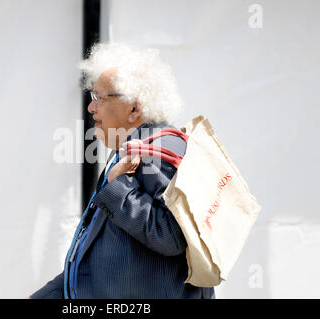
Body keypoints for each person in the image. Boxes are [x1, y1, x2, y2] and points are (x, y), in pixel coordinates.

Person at [28, 43, 215, 299]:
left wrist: (119, 188)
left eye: (100, 98)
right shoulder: (137, 150)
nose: (91, 108)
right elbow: (95, 259)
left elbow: (171, 235)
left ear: (134, 108)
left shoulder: (159, 151)